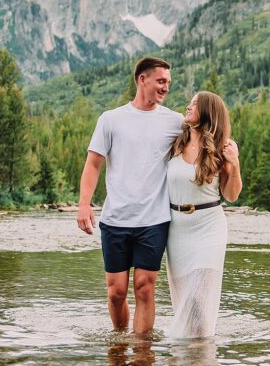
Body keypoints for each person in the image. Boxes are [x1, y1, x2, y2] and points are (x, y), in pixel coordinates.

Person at [77, 56, 183, 334]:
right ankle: (119, 342)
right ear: (142, 79)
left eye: (169, 83)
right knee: (116, 292)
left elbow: (201, 145)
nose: (166, 88)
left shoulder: (175, 122)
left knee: (145, 288)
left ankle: (142, 353)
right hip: (115, 219)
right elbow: (93, 164)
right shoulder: (111, 119)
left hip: (154, 219)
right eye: (161, 81)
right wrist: (84, 205)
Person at [164, 90, 242, 339]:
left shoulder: (223, 147)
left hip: (209, 227)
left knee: (198, 294)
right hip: (176, 229)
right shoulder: (175, 142)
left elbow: (231, 195)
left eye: (195, 104)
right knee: (184, 294)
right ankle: (188, 349)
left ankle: (200, 348)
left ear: (208, 111)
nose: (188, 106)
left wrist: (235, 163)